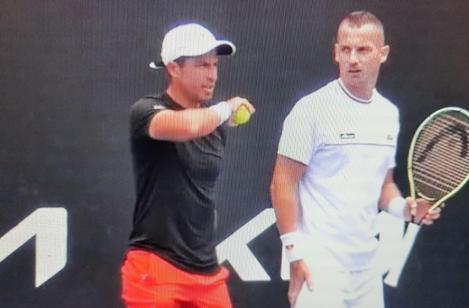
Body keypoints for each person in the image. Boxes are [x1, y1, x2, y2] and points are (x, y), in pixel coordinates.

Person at [270, 11, 440, 308]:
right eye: (345, 49)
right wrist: (295, 254)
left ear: (383, 54)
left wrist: (407, 209)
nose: (352, 59)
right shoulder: (310, 110)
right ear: (335, 52)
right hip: (319, 266)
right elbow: (281, 183)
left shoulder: (388, 114)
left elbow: (383, 186)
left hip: (367, 270)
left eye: (363, 50)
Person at [121, 23, 254, 308]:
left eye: (215, 65)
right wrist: (227, 108)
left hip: (206, 273)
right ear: (174, 68)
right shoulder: (145, 110)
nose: (212, 75)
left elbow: (201, 193)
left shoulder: (216, 126)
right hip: (154, 269)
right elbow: (187, 126)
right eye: (203, 65)